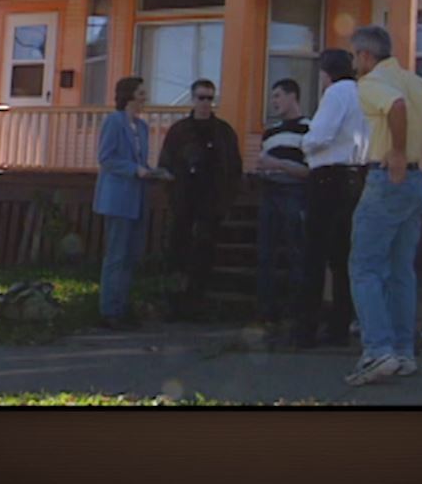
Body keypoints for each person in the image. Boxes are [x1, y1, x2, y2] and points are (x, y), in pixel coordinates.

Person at [343, 25, 422, 386]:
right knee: (400, 271)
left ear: (365, 56)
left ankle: (378, 351)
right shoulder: (414, 81)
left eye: (354, 56)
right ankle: (402, 353)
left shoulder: (370, 84)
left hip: (387, 179)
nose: (354, 63)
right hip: (416, 182)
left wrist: (396, 152)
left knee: (364, 266)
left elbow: (394, 106)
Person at [293, 49, 369, 349]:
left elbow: (321, 135)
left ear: (326, 73)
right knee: (342, 257)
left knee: (313, 255)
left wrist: (305, 143)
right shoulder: (362, 94)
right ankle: (339, 325)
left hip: (327, 178)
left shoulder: (336, 93)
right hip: (355, 176)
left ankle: (305, 330)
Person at [157, 79, 243, 320]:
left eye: (209, 98)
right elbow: (166, 164)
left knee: (204, 254)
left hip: (211, 203)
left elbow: (234, 167)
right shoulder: (179, 131)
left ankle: (197, 302)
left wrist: (227, 200)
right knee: (177, 254)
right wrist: (172, 194)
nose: (205, 103)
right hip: (183, 202)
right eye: (201, 97)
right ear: (192, 99)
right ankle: (175, 304)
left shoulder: (224, 132)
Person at [93, 76, 155, 330]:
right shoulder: (114, 122)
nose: (144, 98)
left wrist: (153, 172)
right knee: (116, 255)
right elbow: (106, 158)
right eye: (141, 93)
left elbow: (140, 160)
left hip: (137, 198)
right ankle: (109, 310)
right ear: (129, 96)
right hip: (118, 198)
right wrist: (133, 170)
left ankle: (123, 305)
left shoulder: (141, 127)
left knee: (131, 255)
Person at [255, 78, 311, 327]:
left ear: (292, 96)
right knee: (266, 253)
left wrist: (277, 164)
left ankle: (298, 311)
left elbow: (308, 171)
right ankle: (268, 311)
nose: (274, 101)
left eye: (278, 96)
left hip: (294, 194)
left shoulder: (309, 129)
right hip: (269, 193)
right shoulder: (270, 132)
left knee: (296, 252)